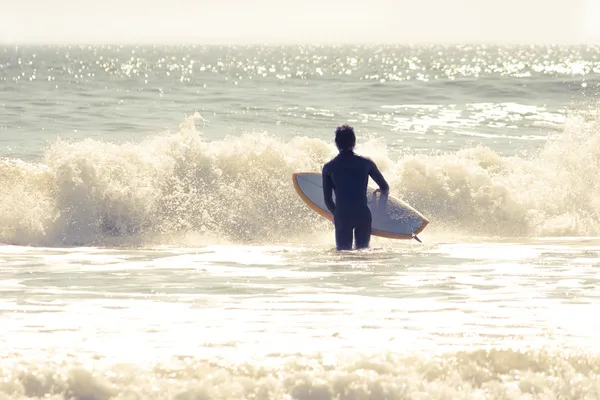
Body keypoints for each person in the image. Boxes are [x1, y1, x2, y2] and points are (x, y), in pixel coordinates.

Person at [322, 124, 389, 250]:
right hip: (362, 214)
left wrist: (336, 214)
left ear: (336, 143)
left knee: (343, 254)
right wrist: (380, 211)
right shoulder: (366, 163)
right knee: (362, 253)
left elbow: (328, 199)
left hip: (343, 215)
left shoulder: (329, 167)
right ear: (354, 142)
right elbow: (384, 187)